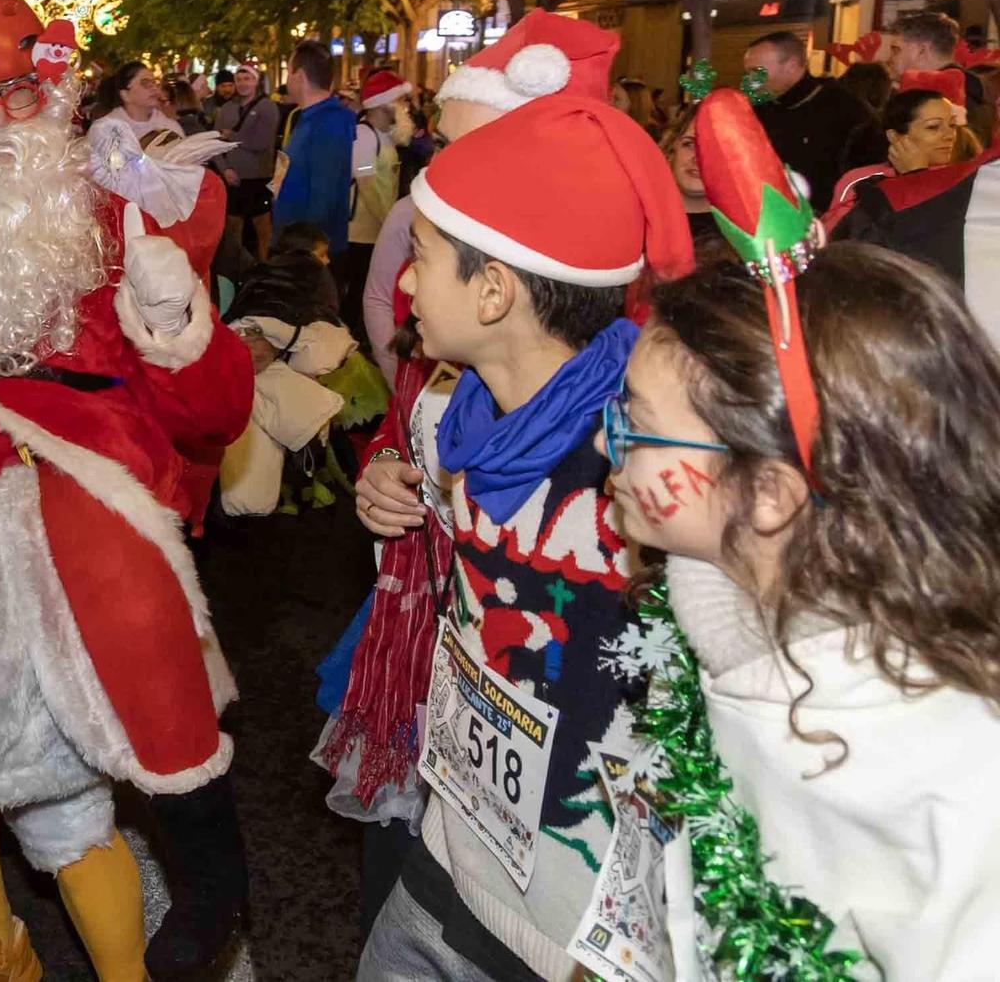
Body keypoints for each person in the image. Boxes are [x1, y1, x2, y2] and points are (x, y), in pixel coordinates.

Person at [0, 0, 255, 980]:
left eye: (17, 95)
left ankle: (188, 905)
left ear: (54, 91)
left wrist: (177, 333)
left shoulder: (117, 208)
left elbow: (210, 419)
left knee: (104, 632)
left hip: (81, 474)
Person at [348, 93, 694, 982]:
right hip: (442, 863)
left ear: (494, 290)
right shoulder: (446, 409)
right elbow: (427, 488)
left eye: (422, 258)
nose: (405, 285)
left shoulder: (654, 467)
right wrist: (387, 484)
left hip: (569, 943)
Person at [604, 208, 1000, 976]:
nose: (603, 443)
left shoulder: (957, 783)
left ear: (769, 495)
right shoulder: (720, 606)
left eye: (637, 426)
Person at [360, 10, 621, 381]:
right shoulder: (415, 211)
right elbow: (379, 298)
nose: (440, 164)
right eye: (440, 145)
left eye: (464, 149)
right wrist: (401, 390)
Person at [744, 30, 876, 213]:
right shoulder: (758, 110)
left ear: (791, 65)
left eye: (756, 72)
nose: (751, 81)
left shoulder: (845, 109)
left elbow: (866, 175)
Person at [822, 84, 960, 233]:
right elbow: (839, 237)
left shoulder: (962, 179)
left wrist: (916, 175)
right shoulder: (858, 180)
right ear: (894, 136)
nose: (949, 135)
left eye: (952, 125)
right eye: (933, 127)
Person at [272, 40, 359, 272]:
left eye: (289, 72)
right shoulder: (309, 118)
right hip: (299, 249)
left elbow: (324, 197)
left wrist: (300, 251)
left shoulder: (330, 122)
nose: (287, 79)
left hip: (310, 255)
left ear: (299, 76)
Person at [344, 69, 414, 337]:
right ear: (386, 103)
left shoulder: (387, 136)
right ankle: (356, 340)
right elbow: (368, 185)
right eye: (401, 100)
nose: (405, 107)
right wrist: (390, 223)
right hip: (363, 233)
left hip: (379, 230)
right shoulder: (364, 136)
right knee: (360, 291)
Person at [890, 9, 992, 142]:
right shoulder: (976, 95)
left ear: (921, 51)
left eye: (896, 50)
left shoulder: (941, 103)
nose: (890, 58)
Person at [215, 59, 280, 259]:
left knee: (263, 230)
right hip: (233, 178)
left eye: (248, 78)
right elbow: (215, 143)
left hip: (258, 177)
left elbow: (261, 141)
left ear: (256, 81)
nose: (243, 83)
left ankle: (265, 270)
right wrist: (224, 169)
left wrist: (232, 136)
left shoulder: (267, 107)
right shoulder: (226, 109)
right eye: (240, 79)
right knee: (233, 231)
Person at [658, 103, 723, 250]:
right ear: (671, 149)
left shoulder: (746, 235)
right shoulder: (640, 218)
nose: (698, 158)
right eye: (689, 144)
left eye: (713, 148)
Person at [89, 61, 180, 139]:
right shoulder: (105, 129)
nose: (154, 88)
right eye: (145, 83)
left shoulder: (169, 127)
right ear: (125, 95)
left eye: (154, 82)